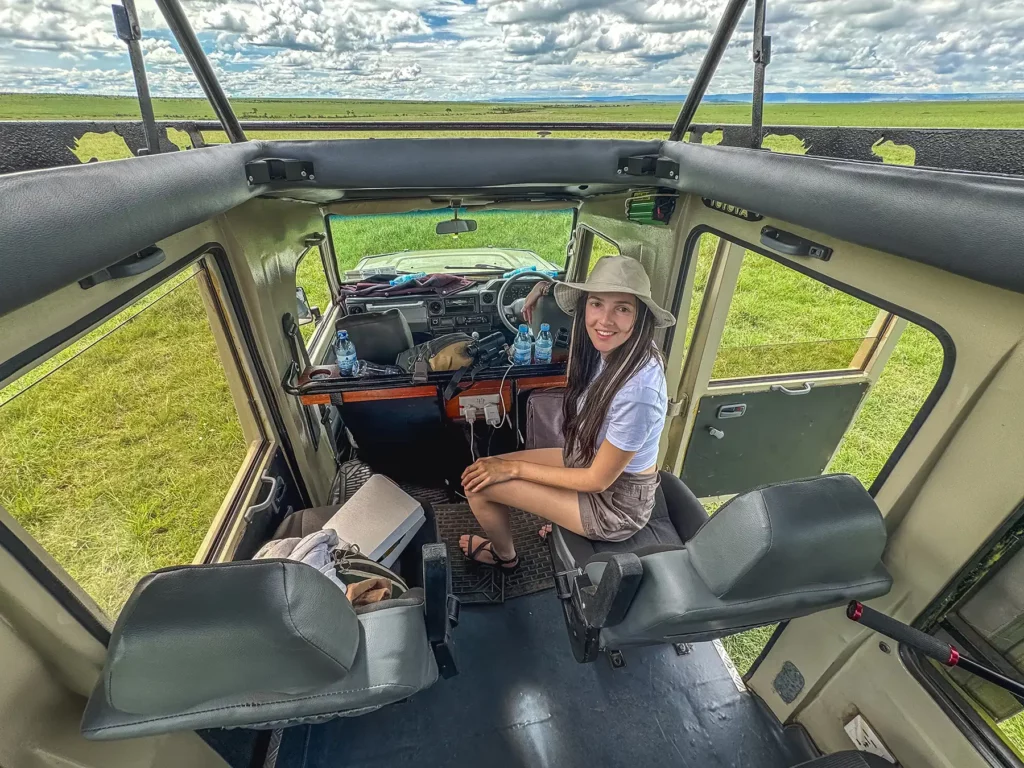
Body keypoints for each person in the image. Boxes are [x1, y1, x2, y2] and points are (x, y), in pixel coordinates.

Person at [459, 255, 676, 570]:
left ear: (640, 317)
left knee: (479, 487)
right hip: (590, 457)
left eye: (623, 308)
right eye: (597, 303)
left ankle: (504, 557)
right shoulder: (620, 348)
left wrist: (513, 471)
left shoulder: (639, 392)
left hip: (615, 504)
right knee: (485, 467)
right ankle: (562, 517)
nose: (604, 320)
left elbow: (597, 481)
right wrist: (541, 288)